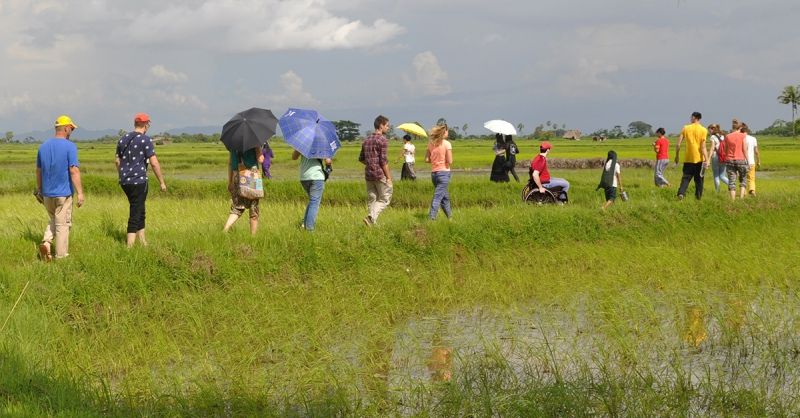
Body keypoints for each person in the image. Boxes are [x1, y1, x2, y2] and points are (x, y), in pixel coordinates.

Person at [36, 115, 85, 261]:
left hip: (46, 194)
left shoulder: (43, 146)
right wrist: (80, 193)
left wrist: (39, 189)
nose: (71, 131)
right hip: (63, 193)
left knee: (54, 219)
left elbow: (38, 171)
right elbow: (73, 170)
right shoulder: (70, 146)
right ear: (65, 128)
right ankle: (61, 256)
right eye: (71, 128)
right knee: (63, 225)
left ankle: (46, 242)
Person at [115, 113, 167, 248]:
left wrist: (123, 175)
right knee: (135, 211)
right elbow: (154, 163)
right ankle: (130, 246)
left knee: (140, 209)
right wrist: (161, 182)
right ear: (146, 124)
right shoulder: (145, 140)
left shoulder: (123, 139)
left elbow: (117, 161)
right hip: (139, 181)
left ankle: (143, 241)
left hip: (125, 181)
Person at [359, 115, 392, 226]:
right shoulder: (382, 140)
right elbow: (383, 161)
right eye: (387, 125)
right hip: (379, 174)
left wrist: (370, 164)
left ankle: (371, 224)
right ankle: (371, 218)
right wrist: (388, 178)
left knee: (373, 199)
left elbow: (361, 159)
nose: (388, 128)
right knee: (385, 199)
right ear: (381, 125)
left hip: (368, 174)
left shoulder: (366, 140)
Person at [223, 146, 265, 234]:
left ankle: (226, 228)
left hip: (236, 176)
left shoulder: (233, 142)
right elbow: (261, 160)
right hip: (251, 177)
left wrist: (230, 181)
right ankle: (253, 237)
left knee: (237, 207)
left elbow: (230, 163)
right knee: (254, 208)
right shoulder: (254, 142)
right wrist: (258, 148)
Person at [291, 150, 330, 231]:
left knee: (312, 201)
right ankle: (309, 229)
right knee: (314, 203)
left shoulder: (302, 143)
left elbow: (294, 157)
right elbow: (328, 161)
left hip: (304, 178)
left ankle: (304, 225)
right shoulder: (320, 145)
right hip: (316, 177)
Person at [674, 111, 709, 200]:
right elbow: (703, 147)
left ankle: (681, 193)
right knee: (699, 180)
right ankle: (698, 198)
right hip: (699, 160)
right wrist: (707, 159)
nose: (690, 119)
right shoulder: (704, 130)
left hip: (688, 159)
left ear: (694, 117)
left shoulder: (685, 128)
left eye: (691, 117)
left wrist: (677, 156)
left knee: (686, 178)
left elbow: (678, 144)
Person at [425, 124, 453, 220]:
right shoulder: (447, 144)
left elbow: (427, 159)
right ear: (444, 132)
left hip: (434, 174)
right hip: (444, 173)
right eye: (447, 131)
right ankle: (431, 218)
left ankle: (450, 218)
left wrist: (435, 160)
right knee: (438, 197)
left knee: (445, 198)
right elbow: (450, 161)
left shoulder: (430, 144)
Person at [724, 121, 749, 200]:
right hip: (741, 160)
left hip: (729, 160)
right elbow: (744, 149)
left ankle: (733, 200)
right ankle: (741, 198)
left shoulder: (727, 136)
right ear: (740, 128)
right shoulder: (743, 136)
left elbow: (725, 149)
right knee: (743, 179)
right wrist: (747, 160)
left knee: (732, 180)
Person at [707, 123, 729, 192]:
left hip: (716, 156)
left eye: (709, 130)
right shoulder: (724, 136)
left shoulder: (713, 137)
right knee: (722, 176)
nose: (709, 132)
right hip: (724, 157)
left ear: (712, 129)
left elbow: (712, 148)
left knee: (716, 176)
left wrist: (708, 159)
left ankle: (717, 191)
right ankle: (732, 186)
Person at [742, 123, 760, 196]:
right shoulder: (753, 139)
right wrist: (758, 160)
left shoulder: (740, 138)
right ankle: (752, 190)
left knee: (743, 178)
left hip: (742, 162)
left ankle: (744, 192)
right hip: (751, 162)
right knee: (751, 178)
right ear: (748, 131)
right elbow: (756, 151)